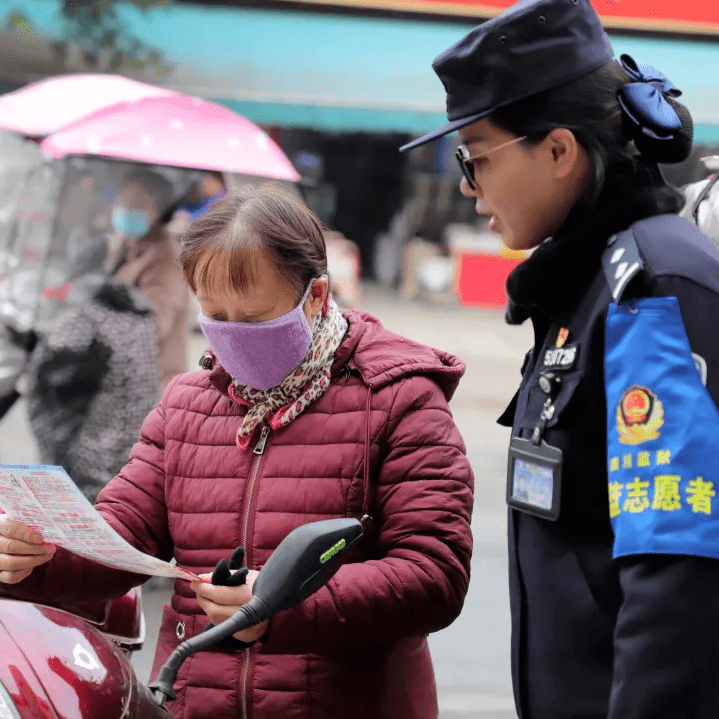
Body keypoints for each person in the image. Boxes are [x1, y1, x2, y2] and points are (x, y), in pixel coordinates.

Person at [0, 184, 474, 719]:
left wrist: (281, 607)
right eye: (216, 319)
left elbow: (434, 574)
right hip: (196, 701)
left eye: (252, 320)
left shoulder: (398, 399)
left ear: (315, 298)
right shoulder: (187, 405)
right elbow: (120, 534)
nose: (232, 338)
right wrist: (38, 555)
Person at [400, 0, 719, 717]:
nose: (466, 186)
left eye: (475, 156)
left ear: (557, 151)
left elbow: (675, 575)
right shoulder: (584, 286)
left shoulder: (651, 285)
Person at [105, 168, 189, 389]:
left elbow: (152, 323)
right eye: (123, 200)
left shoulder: (167, 258)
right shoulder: (127, 242)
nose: (126, 209)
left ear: (160, 211)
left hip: (149, 387)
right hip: (121, 378)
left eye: (138, 204)